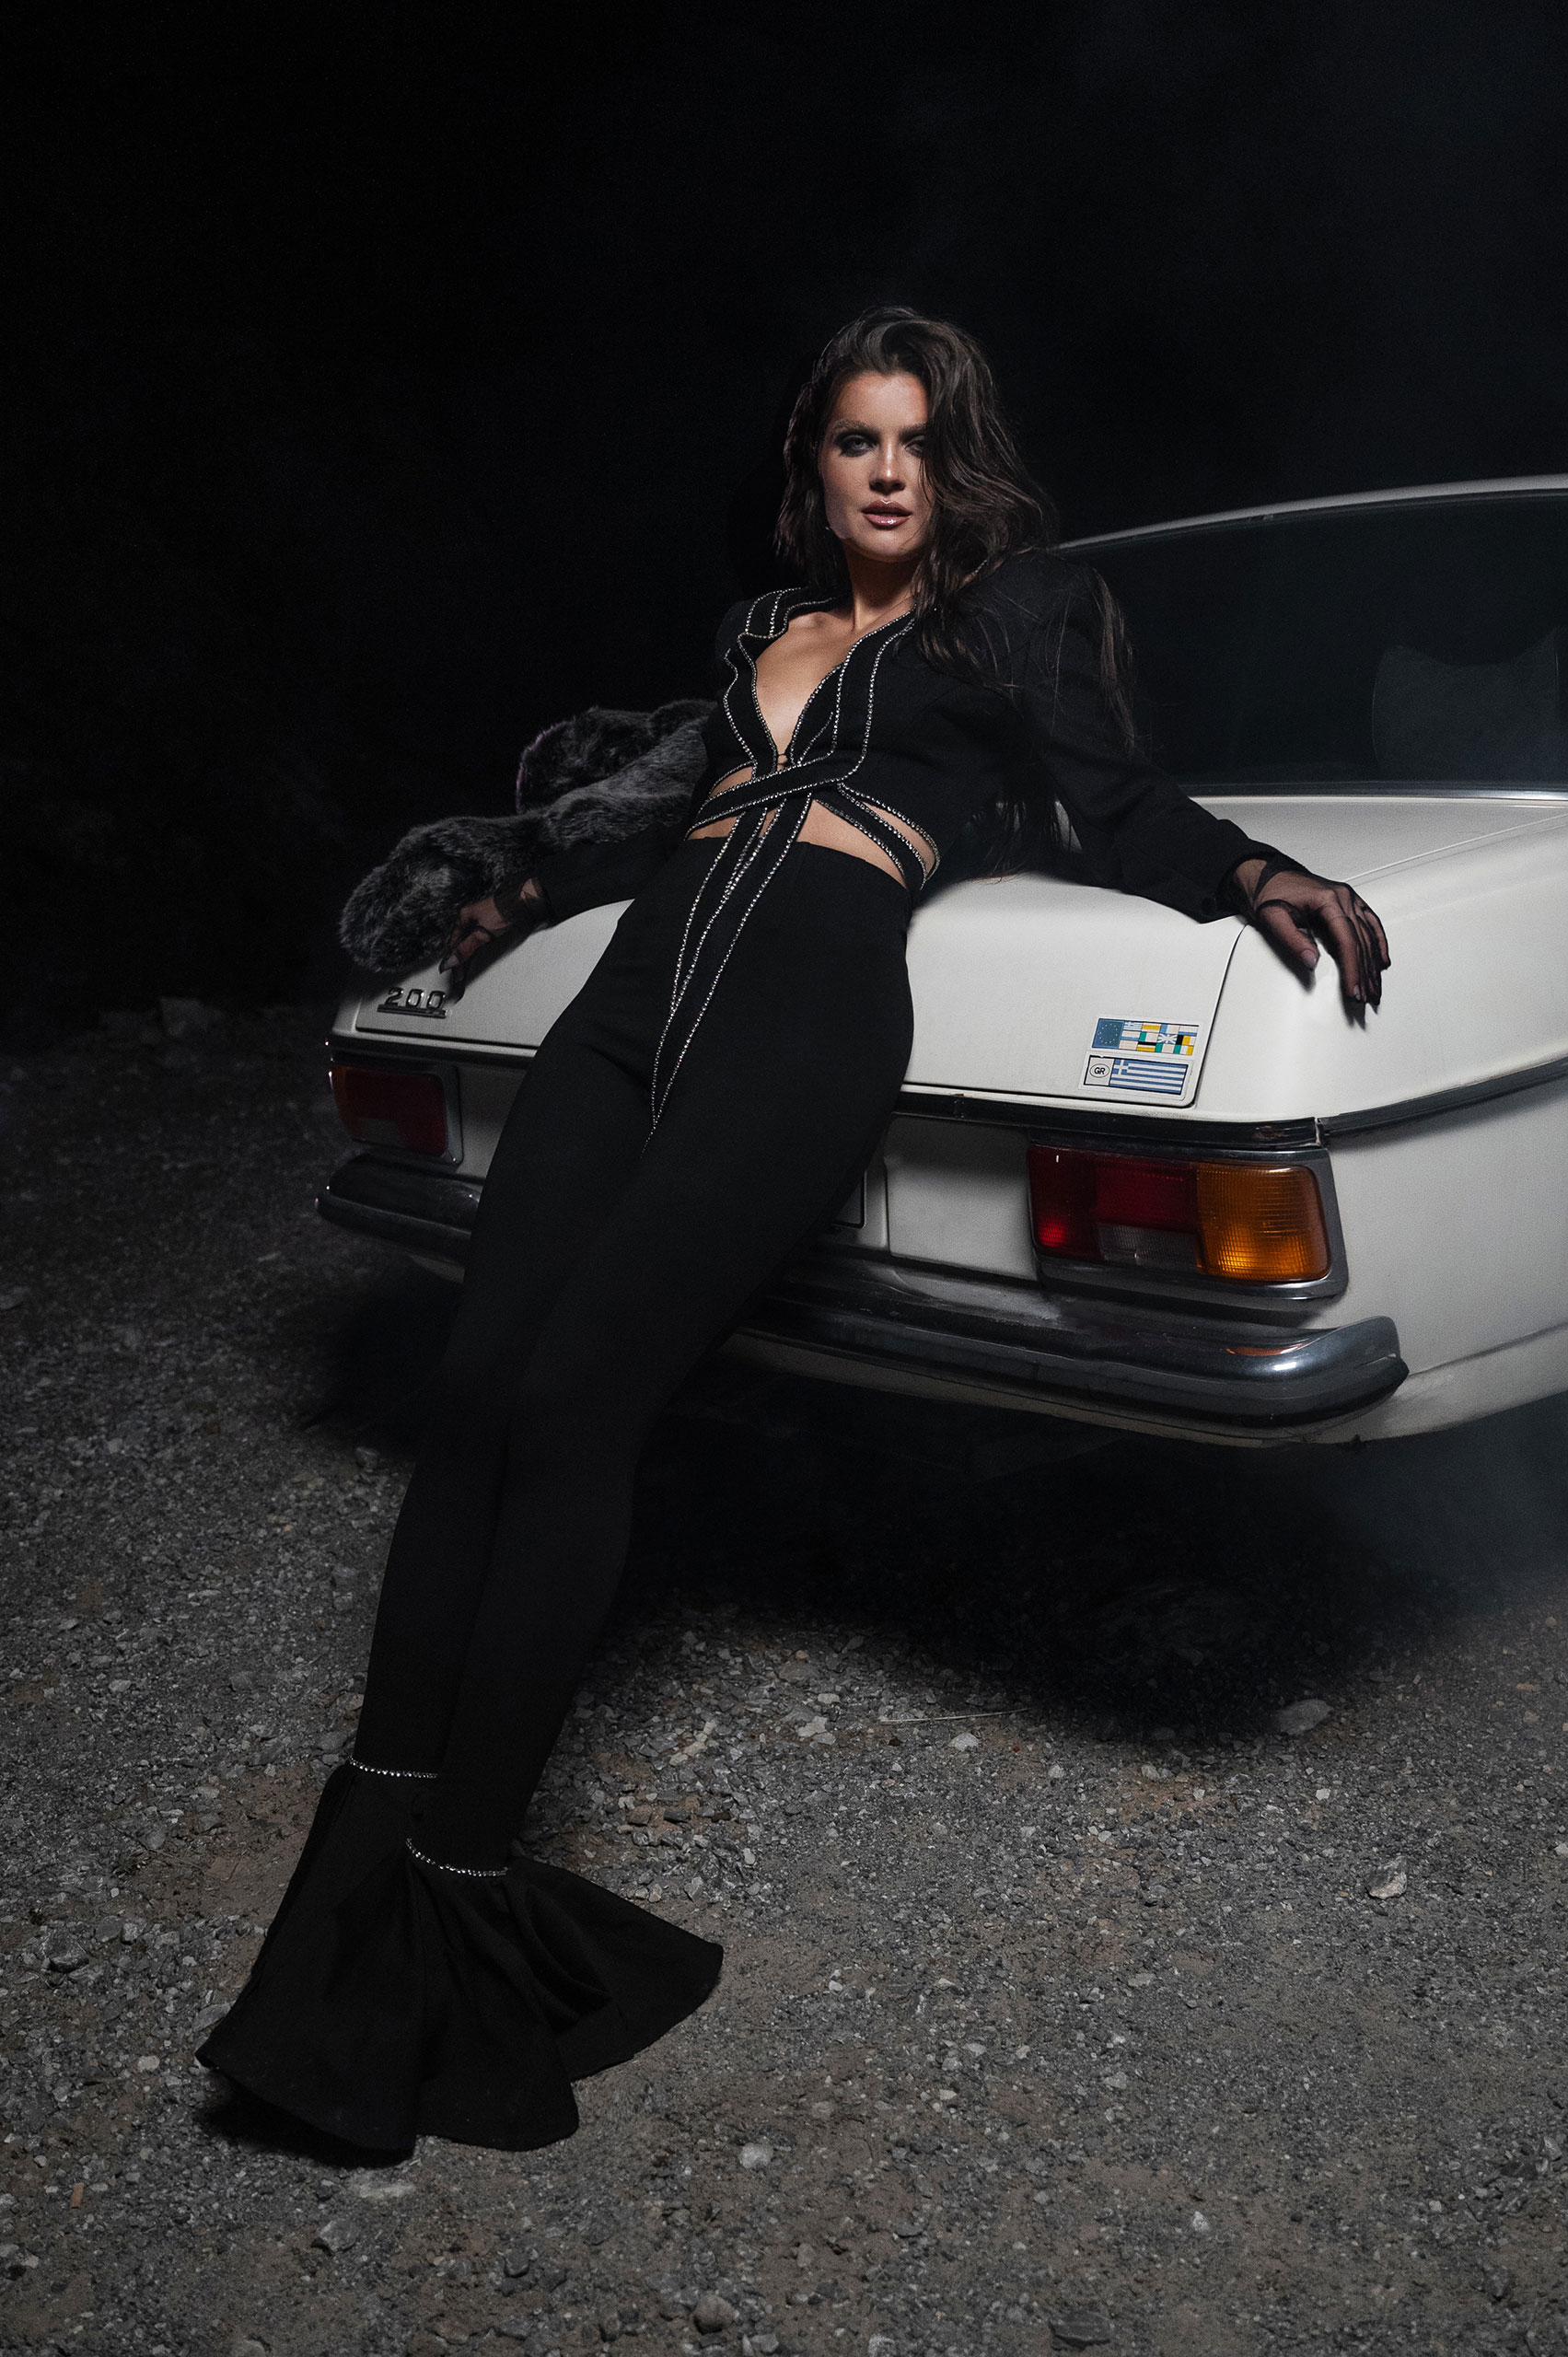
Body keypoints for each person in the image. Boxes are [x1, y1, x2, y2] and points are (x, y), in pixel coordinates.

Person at [199, 307, 1388, 2154]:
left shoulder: (1018, 616)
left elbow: (1118, 801)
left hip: (809, 1009)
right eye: (854, 440)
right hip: (634, 999)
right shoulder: (762, 631)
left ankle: (459, 1889)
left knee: (578, 1404)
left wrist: (1247, 869)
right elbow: (669, 813)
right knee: (479, 1397)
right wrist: (522, 883)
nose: (887, 470)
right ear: (813, 467)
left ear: (953, 460)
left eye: (915, 440)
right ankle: (357, 1893)